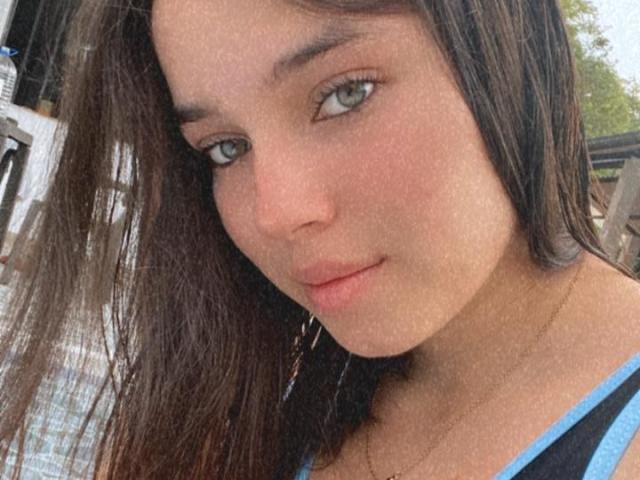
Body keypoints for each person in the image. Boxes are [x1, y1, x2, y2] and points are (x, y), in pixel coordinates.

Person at [0, 0, 638, 478]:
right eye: (226, 148)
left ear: (507, 52)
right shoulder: (245, 401)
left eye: (345, 94)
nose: (276, 214)